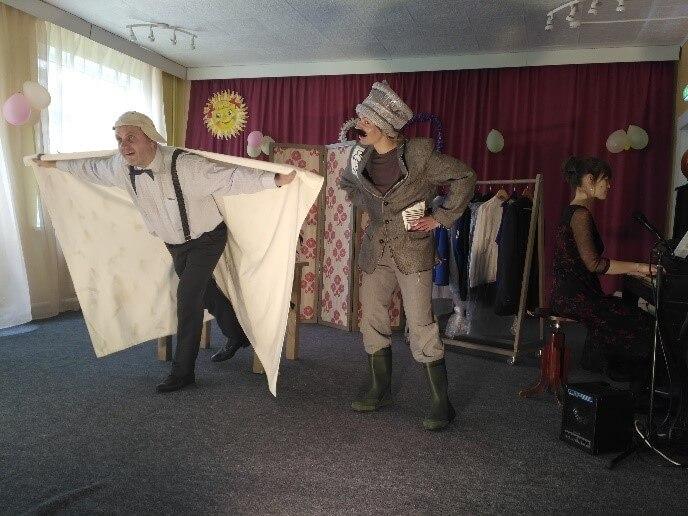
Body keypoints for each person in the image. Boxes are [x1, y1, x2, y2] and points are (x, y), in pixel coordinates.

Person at [35, 111, 295, 393]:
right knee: (205, 292)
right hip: (175, 244)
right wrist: (53, 163)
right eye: (119, 139)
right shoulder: (120, 167)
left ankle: (183, 372)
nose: (124, 146)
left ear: (151, 139)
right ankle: (237, 335)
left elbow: (230, 178)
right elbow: (90, 169)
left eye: (131, 138)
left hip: (207, 239)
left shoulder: (185, 166)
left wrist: (273, 180)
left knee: (187, 298)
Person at [339, 82, 476, 431]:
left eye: (366, 120)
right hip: (375, 251)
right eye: (360, 118)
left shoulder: (419, 156)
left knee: (420, 325)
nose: (358, 124)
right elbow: (348, 184)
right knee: (371, 318)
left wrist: (440, 217)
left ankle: (442, 403)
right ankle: (380, 389)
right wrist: (373, 207)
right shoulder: (359, 156)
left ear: (385, 125)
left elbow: (464, 176)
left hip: (412, 251)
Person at [550, 156, 655, 378]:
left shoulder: (572, 211)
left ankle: (600, 363)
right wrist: (640, 268)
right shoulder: (580, 215)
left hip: (568, 295)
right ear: (590, 179)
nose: (610, 185)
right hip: (575, 299)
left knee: (623, 310)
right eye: (606, 179)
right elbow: (595, 264)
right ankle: (635, 380)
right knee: (644, 322)